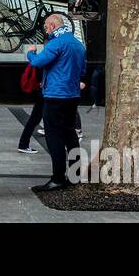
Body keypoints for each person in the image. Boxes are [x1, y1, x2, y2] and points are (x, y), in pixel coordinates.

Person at [25, 14, 86, 193]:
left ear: (52, 26)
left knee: (54, 138)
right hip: (73, 95)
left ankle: (57, 178)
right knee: (71, 136)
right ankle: (74, 177)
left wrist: (31, 52)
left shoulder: (56, 43)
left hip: (55, 95)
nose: (45, 30)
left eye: (45, 27)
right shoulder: (78, 44)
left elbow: (37, 62)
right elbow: (82, 70)